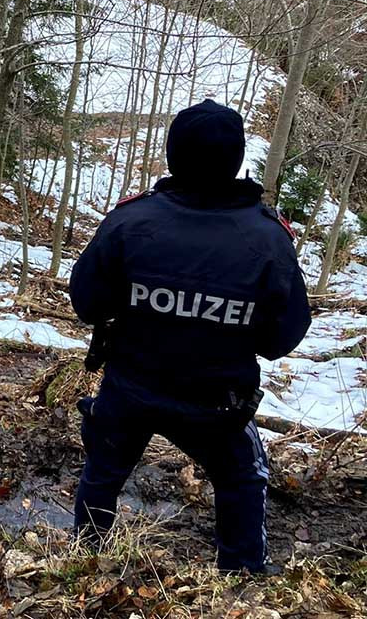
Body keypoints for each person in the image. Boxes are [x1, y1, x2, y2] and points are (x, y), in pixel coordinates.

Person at [69, 99, 311, 574]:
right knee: (243, 479)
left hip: (131, 386)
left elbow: (86, 301)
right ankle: (240, 585)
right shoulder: (268, 239)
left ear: (173, 154)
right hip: (215, 401)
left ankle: (83, 565)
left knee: (102, 473)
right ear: (237, 158)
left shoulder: (130, 221)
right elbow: (283, 337)